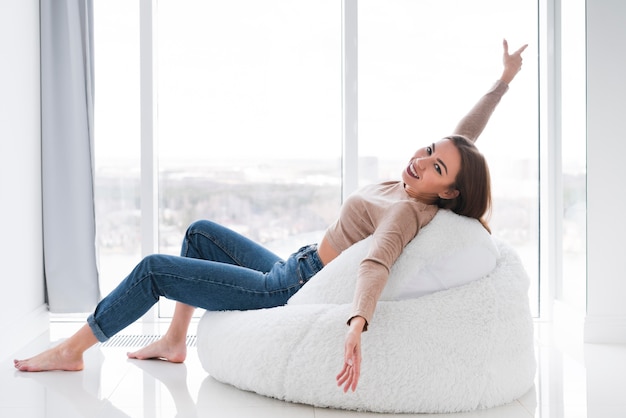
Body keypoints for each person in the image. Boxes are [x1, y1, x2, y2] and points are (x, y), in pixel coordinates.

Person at [15, 40, 528, 393]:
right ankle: (175, 341)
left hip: (286, 290)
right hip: (292, 265)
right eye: (428, 149)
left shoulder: (408, 211)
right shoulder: (417, 180)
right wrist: (502, 82)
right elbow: (464, 136)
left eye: (436, 165)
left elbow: (377, 262)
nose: (421, 160)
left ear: (451, 190)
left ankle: (75, 347)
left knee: (154, 268)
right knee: (198, 233)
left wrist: (357, 325)